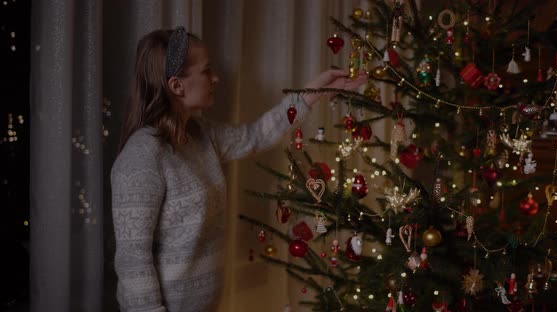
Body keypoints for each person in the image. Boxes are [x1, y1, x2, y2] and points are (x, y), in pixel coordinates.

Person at [111, 26, 367, 312]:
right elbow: (133, 260)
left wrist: (316, 89)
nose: (216, 78)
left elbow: (258, 135)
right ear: (177, 86)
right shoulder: (143, 156)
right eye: (206, 71)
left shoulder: (200, 135)